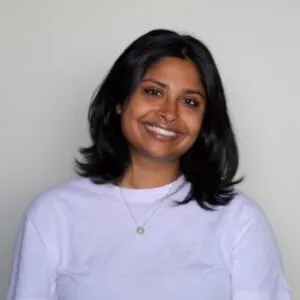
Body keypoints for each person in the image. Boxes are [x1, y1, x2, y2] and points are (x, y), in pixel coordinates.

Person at [7, 29, 291, 300]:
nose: (169, 113)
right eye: (154, 92)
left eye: (190, 101)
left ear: (204, 120)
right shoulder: (52, 215)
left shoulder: (238, 220)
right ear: (120, 100)